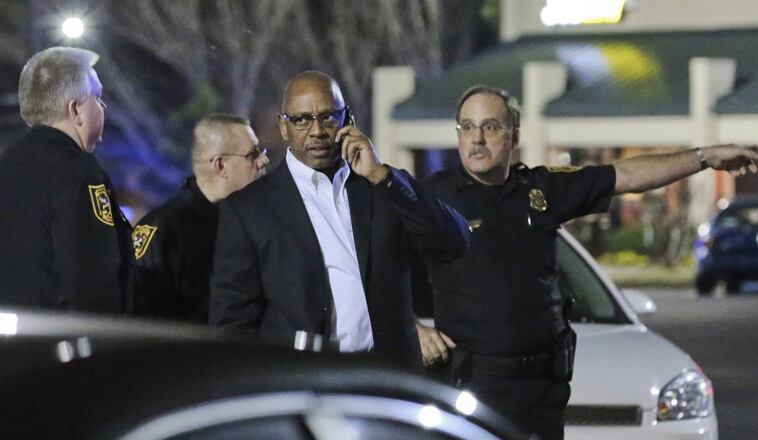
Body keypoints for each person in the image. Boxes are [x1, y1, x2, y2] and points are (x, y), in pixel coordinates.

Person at [415, 85, 758, 439]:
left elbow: (627, 176)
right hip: (472, 388)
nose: (476, 139)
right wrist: (413, 327)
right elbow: (374, 262)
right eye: (467, 128)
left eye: (490, 127)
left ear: (514, 135)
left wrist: (704, 157)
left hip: (542, 394)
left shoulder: (540, 190)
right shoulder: (431, 200)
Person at [209, 71, 469, 368]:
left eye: (329, 117)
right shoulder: (249, 209)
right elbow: (232, 325)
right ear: (284, 127)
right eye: (302, 120)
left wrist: (380, 175)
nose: (317, 130)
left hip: (385, 379)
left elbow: (455, 240)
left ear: (349, 121)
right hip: (303, 383)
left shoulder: (381, 187)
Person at [0, 47, 134, 313]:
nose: (103, 107)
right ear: (76, 110)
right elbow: (91, 276)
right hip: (60, 344)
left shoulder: (6, 164)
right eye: (98, 98)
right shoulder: (77, 171)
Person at [132, 114, 269, 322]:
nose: (264, 160)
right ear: (220, 166)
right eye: (253, 154)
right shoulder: (164, 230)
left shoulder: (256, 221)